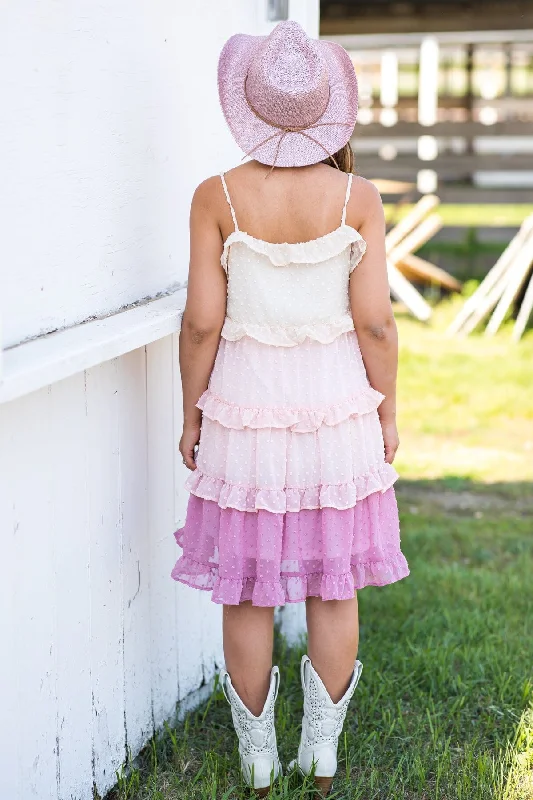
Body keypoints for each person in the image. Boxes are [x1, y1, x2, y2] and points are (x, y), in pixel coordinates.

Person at [171, 19, 409, 796]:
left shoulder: (217, 197)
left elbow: (203, 321)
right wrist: (386, 412)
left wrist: (191, 413)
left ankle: (257, 759)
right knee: (330, 582)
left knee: (246, 585)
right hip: (336, 407)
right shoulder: (357, 197)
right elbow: (374, 322)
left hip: (244, 409)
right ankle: (322, 752)